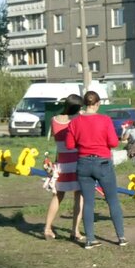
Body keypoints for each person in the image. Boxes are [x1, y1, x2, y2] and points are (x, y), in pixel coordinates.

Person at [66, 90, 127, 249]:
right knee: (112, 200)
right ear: (98, 104)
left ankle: (90, 239)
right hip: (103, 163)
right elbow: (113, 143)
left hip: (84, 164)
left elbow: (70, 145)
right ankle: (121, 237)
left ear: (85, 104)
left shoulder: (74, 122)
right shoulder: (105, 120)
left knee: (88, 203)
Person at [43, 94, 85, 242]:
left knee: (58, 195)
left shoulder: (53, 120)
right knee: (79, 196)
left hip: (61, 163)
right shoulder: (76, 121)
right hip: (76, 161)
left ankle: (47, 228)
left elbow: (54, 141)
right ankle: (75, 231)